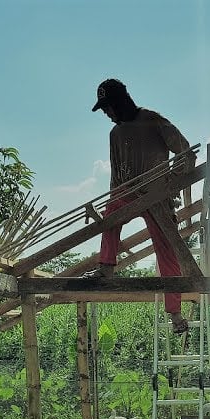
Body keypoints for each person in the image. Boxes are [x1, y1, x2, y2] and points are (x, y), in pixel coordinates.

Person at [84, 78, 197, 334]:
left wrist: (172, 180)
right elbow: (116, 171)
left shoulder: (153, 120)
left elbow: (186, 153)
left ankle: (175, 313)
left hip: (157, 194)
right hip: (127, 191)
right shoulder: (115, 134)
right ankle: (106, 268)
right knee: (110, 218)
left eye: (107, 108)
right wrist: (113, 198)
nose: (106, 113)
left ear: (119, 103)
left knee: (167, 248)